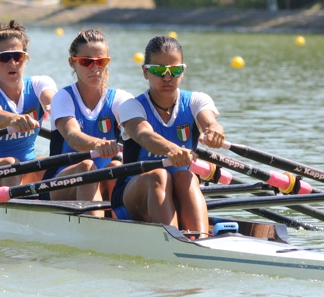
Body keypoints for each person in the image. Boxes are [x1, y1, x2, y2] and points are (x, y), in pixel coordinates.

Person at [111, 36, 225, 237]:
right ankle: (173, 241)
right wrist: (172, 149)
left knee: (184, 175)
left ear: (183, 71)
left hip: (179, 189)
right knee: (159, 175)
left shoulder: (197, 101)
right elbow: (144, 135)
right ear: (145, 71)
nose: (167, 77)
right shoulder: (131, 106)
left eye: (174, 70)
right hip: (132, 197)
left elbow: (210, 123)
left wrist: (215, 131)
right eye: (158, 70)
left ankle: (199, 239)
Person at [41, 29, 128, 216]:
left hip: (100, 179)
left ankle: (124, 222)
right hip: (59, 184)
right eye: (86, 62)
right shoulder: (63, 97)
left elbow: (137, 127)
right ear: (72, 62)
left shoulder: (119, 99)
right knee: (88, 166)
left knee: (116, 168)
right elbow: (73, 137)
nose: (94, 68)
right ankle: (95, 225)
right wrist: (99, 144)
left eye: (100, 61)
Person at [0, 20, 57, 188]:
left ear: (26, 58)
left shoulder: (40, 84)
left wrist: (56, 108)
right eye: (4, 57)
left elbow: (52, 100)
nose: (12, 63)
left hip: (24, 171)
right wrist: (14, 119)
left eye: (17, 56)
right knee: (10, 163)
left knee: (51, 164)